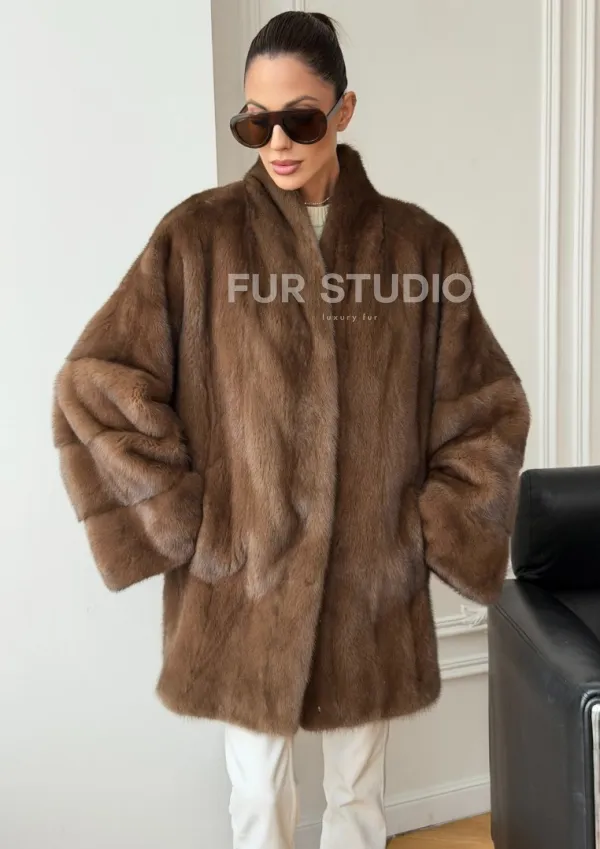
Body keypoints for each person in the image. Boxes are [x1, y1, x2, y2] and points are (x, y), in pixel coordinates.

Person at [51, 10, 531, 849]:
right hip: (244, 577)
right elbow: (98, 379)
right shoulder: (198, 238)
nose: (276, 141)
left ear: (344, 110)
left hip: (370, 578)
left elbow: (484, 404)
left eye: (300, 119)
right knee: (257, 796)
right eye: (255, 120)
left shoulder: (418, 250)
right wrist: (185, 516)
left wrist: (424, 528)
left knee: (358, 799)